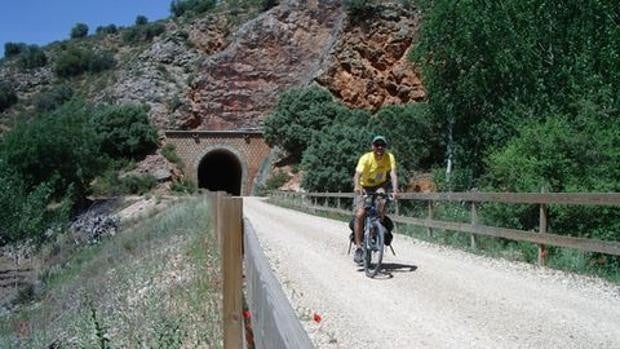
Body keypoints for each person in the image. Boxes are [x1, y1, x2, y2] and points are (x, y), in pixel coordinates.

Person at [352, 135, 398, 264]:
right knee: (360, 213)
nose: (379, 147)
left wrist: (395, 190)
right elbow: (357, 175)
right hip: (364, 186)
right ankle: (359, 247)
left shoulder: (389, 157)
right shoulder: (366, 158)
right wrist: (357, 186)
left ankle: (377, 227)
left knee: (382, 200)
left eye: (382, 145)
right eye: (377, 145)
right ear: (372, 146)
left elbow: (393, 174)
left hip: (379, 185)